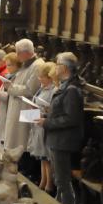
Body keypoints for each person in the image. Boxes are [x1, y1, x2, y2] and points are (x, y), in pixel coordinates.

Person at [41, 52, 84, 204]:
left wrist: (47, 122)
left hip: (63, 140)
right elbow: (63, 112)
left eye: (57, 64)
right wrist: (48, 113)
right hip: (57, 138)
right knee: (59, 179)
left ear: (64, 68)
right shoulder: (66, 86)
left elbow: (71, 118)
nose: (55, 67)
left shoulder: (72, 89)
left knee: (63, 180)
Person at [2, 39, 43, 155]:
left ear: (25, 53)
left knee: (24, 138)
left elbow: (30, 90)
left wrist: (11, 87)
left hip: (27, 107)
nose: (17, 56)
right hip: (19, 106)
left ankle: (25, 165)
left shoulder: (37, 65)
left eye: (18, 53)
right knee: (17, 138)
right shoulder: (27, 64)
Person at [28, 62, 58, 194]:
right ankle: (43, 182)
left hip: (46, 125)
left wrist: (45, 111)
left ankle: (48, 185)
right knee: (42, 157)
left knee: (47, 157)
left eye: (42, 77)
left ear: (50, 78)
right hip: (38, 124)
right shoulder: (42, 88)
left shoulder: (53, 90)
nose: (39, 79)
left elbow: (54, 109)